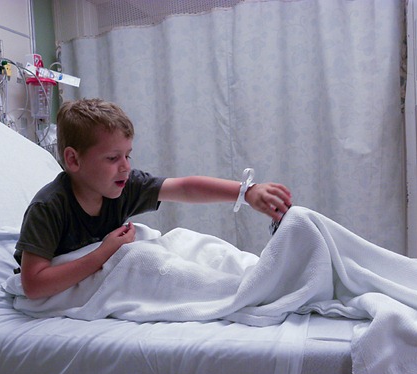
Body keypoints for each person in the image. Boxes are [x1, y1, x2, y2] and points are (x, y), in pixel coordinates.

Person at [15, 98, 292, 299]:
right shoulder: (48, 208)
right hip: (72, 277)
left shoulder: (124, 185)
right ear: (74, 160)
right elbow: (33, 285)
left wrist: (246, 192)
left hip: (107, 262)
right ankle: (236, 291)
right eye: (112, 158)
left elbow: (184, 188)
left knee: (194, 250)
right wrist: (105, 252)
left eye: (128, 155)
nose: (125, 166)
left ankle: (257, 280)